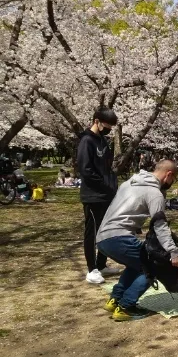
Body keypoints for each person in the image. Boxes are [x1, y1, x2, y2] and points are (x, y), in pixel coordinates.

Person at [95, 160, 178, 321]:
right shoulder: (154, 193)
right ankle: (126, 306)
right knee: (152, 267)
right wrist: (173, 251)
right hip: (119, 237)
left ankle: (115, 299)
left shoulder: (129, 183)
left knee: (137, 265)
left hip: (102, 238)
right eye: (173, 179)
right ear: (169, 175)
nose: (171, 183)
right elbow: (159, 226)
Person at [77, 107, 119, 284]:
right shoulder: (86, 141)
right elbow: (86, 170)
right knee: (92, 232)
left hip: (107, 195)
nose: (108, 129)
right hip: (93, 195)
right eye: (106, 125)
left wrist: (112, 185)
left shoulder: (102, 141)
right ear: (96, 121)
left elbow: (107, 167)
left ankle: (102, 264)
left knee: (106, 230)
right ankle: (92, 269)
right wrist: (104, 186)